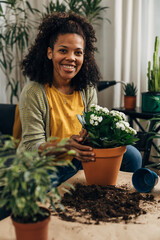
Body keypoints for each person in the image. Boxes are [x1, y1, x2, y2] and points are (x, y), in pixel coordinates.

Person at [17, 12, 142, 186]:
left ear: (85, 56)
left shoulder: (87, 89)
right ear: (49, 53)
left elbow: (91, 129)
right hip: (46, 165)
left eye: (78, 52)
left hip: (79, 158)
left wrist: (93, 134)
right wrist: (66, 146)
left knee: (132, 156)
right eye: (63, 50)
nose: (71, 58)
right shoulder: (33, 92)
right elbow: (32, 147)